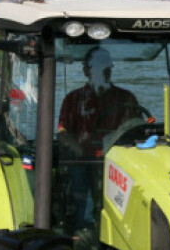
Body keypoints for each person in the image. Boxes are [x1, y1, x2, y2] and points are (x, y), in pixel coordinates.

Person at [57, 47, 140, 232]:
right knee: (79, 191)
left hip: (116, 162)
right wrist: (76, 148)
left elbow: (136, 130)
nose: (104, 72)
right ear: (86, 70)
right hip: (82, 160)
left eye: (106, 67)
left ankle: (121, 230)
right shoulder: (73, 99)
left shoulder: (126, 98)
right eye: (98, 67)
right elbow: (62, 132)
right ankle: (82, 230)